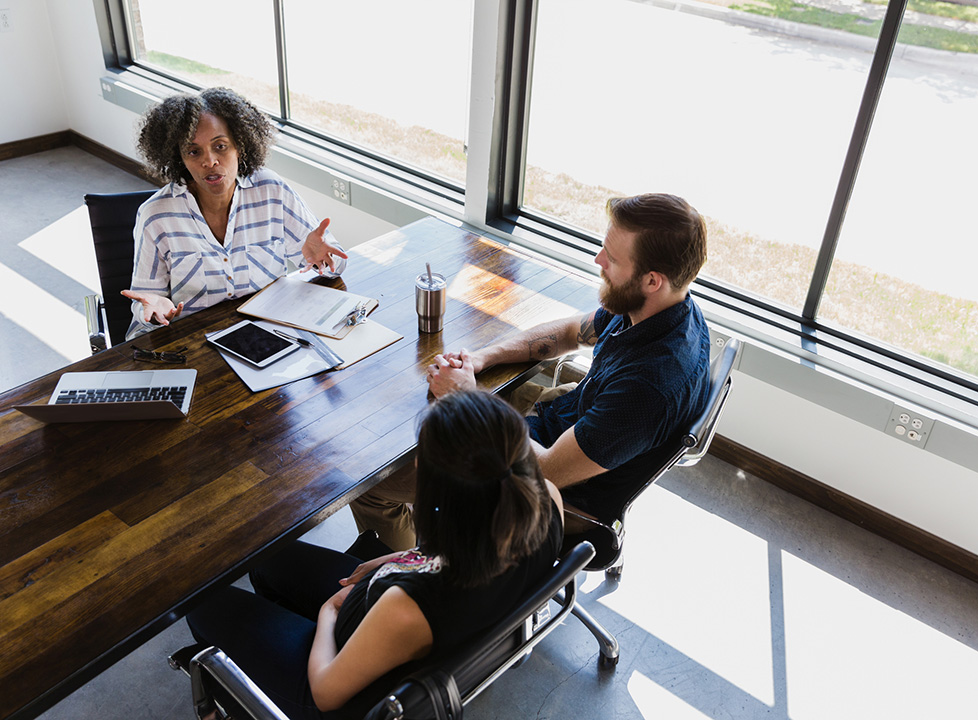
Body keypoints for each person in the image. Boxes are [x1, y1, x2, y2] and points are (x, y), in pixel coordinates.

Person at [352, 192, 711, 550]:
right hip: (561, 419)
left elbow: (547, 471)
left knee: (372, 482)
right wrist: (483, 358)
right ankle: (440, 532)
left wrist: (466, 397)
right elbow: (571, 332)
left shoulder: (648, 389)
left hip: (551, 491)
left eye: (613, 259)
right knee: (437, 406)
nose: (598, 259)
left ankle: (410, 587)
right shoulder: (663, 308)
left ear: (652, 280)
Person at [185, 390, 563, 719]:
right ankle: (273, 647)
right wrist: (399, 558)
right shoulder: (547, 502)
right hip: (404, 621)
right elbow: (469, 541)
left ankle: (257, 689)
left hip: (337, 688)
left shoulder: (409, 607)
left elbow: (326, 694)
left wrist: (329, 614)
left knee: (201, 602)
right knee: (267, 559)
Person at [122, 87, 348, 339]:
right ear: (179, 158)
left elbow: (334, 264)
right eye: (193, 151)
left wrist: (322, 260)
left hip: (268, 334)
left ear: (240, 146)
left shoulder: (271, 191)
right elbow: (145, 303)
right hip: (195, 342)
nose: (210, 161)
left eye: (220, 146)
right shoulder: (156, 216)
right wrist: (154, 310)